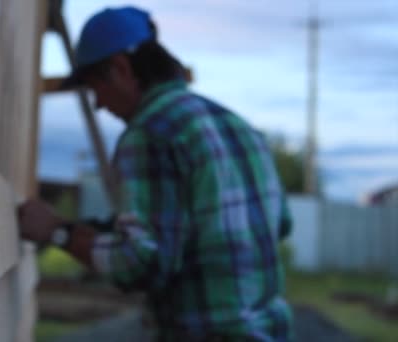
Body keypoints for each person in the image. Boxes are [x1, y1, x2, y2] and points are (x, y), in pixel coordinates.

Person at [18, 6, 293, 342]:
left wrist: (57, 233)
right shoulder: (240, 128)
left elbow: (141, 264)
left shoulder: (150, 133)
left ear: (120, 68)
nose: (98, 105)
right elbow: (280, 225)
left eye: (94, 89)